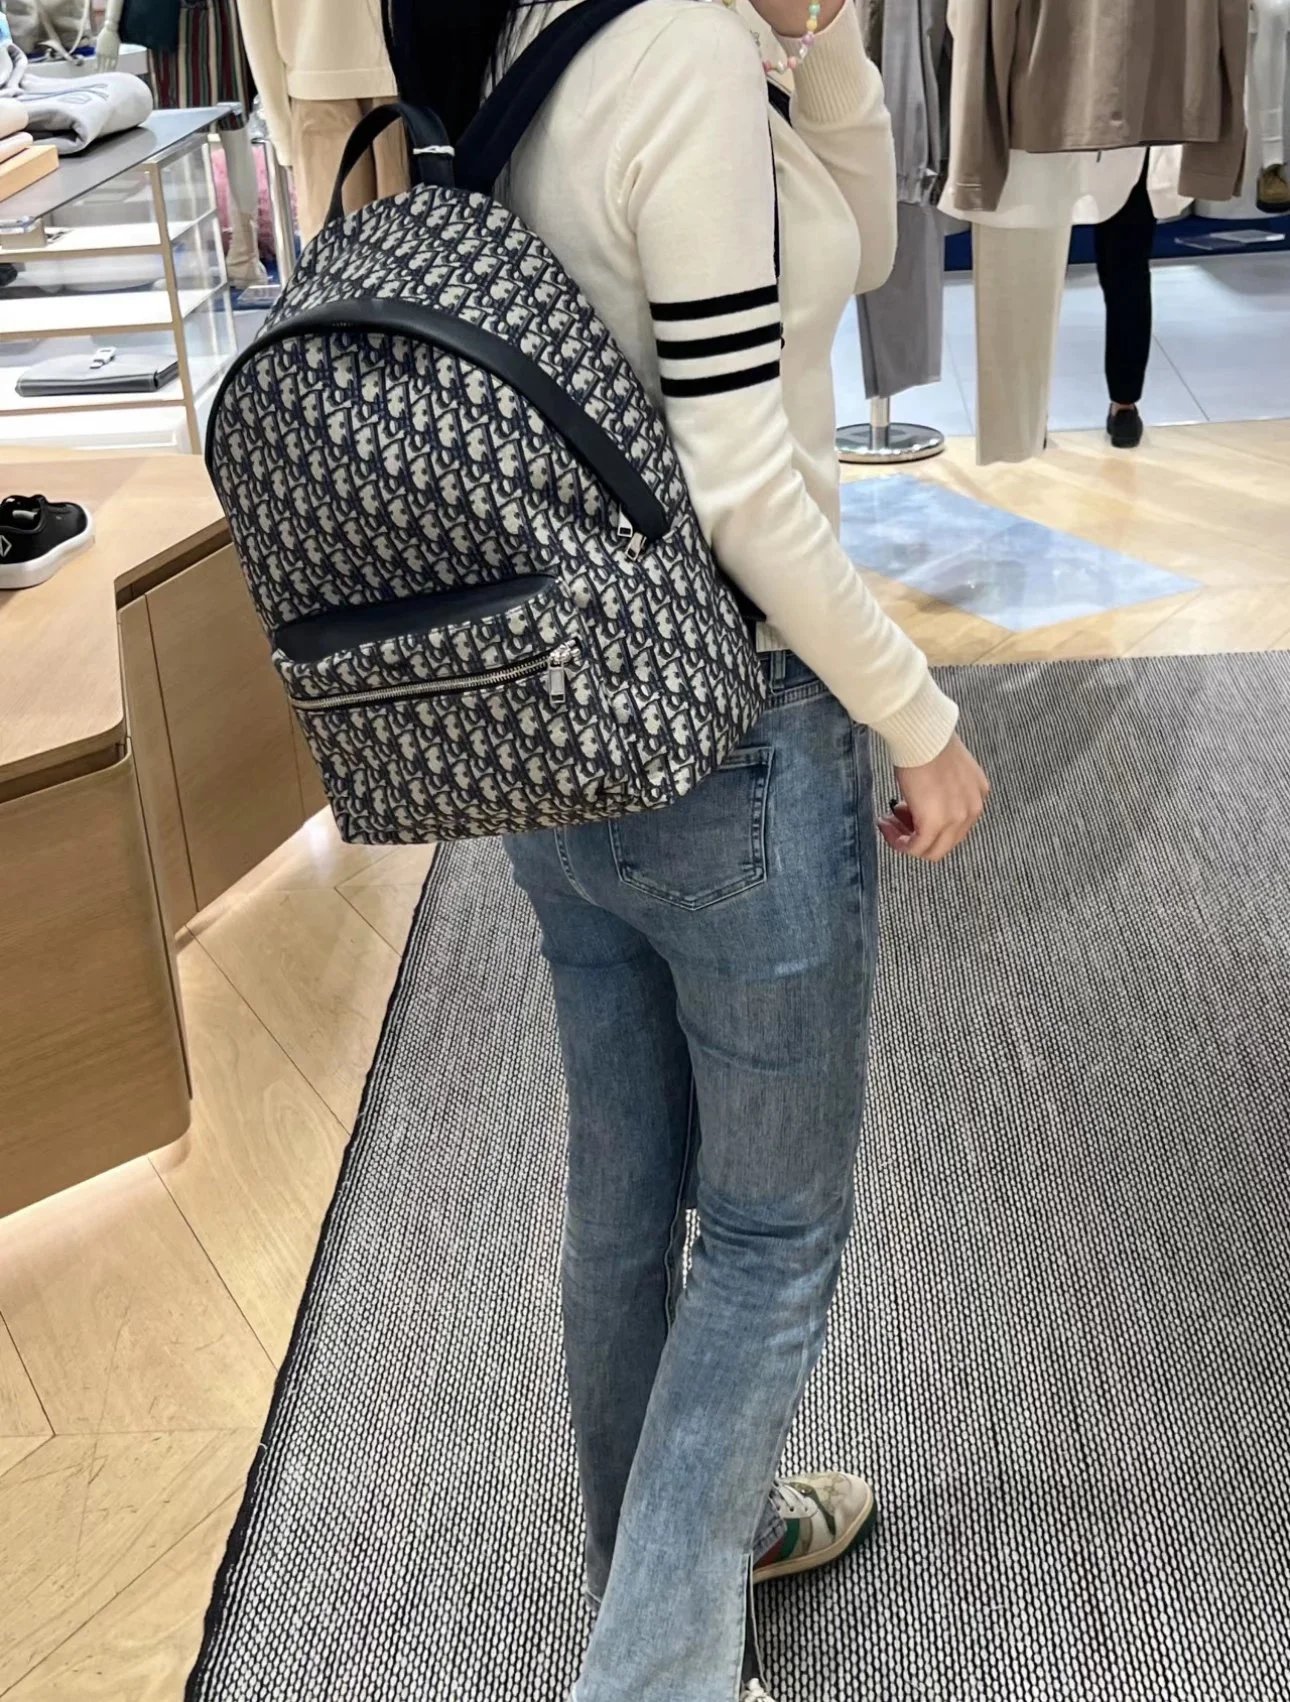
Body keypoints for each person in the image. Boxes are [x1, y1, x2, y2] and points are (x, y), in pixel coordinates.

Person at [383, 4, 990, 1700]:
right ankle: (655, 1671)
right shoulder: (687, 58)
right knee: (774, 1235)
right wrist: (918, 713)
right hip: (729, 716)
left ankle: (665, 1573)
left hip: (555, 705)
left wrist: (829, 46)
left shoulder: (553, 26)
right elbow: (744, 484)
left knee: (626, 1193)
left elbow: (853, 247)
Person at [1094, 157, 1157, 450]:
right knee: (1127, 267)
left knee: (1127, 268)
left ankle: (1029, 413)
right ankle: (1124, 405)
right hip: (1130, 143)